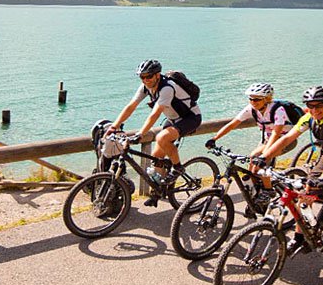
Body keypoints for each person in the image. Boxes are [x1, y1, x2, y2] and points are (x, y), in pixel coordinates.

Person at [257, 86, 323, 254]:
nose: (315, 110)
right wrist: (265, 157)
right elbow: (287, 138)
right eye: (310, 106)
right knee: (305, 196)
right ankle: (300, 238)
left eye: (319, 105)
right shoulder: (309, 117)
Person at [108, 60, 202, 207]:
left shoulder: (167, 88)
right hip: (173, 119)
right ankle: (158, 191)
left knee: (162, 137)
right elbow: (131, 106)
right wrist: (114, 126)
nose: (145, 80)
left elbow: (155, 114)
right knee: (157, 157)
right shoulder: (146, 87)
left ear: (157, 75)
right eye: (142, 77)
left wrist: (140, 133)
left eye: (149, 76)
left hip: (190, 118)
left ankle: (178, 168)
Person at [207, 83, 294, 210]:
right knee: (252, 166)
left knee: (260, 162)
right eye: (251, 99)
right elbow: (233, 124)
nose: (253, 102)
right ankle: (257, 195)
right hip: (268, 141)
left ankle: (269, 191)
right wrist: (214, 138)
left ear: (267, 99)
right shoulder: (251, 109)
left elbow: (276, 133)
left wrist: (265, 155)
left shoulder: (278, 110)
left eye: (257, 99)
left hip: (284, 140)